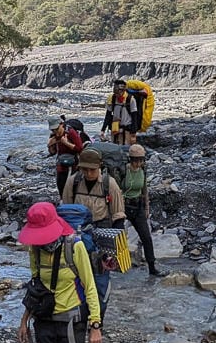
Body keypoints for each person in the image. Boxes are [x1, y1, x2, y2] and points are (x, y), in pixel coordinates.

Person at [16, 202, 103, 343]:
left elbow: (90, 286)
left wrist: (95, 325)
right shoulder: (34, 249)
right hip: (44, 322)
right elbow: (35, 288)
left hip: (71, 323)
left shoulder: (74, 247)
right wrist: (24, 320)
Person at [122, 143, 161, 276]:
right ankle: (115, 265)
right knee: (118, 237)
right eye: (135, 160)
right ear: (130, 159)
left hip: (138, 205)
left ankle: (152, 267)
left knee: (146, 237)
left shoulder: (143, 169)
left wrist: (146, 207)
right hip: (123, 205)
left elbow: (145, 190)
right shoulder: (123, 170)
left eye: (140, 160)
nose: (138, 163)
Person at [62, 147, 126, 229]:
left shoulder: (109, 184)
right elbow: (67, 209)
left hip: (102, 227)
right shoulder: (73, 182)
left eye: (92, 170)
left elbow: (118, 213)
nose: (89, 173)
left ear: (99, 166)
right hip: (79, 227)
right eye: (85, 169)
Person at [46, 117, 83, 198]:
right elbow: (53, 152)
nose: (55, 131)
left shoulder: (70, 132)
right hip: (61, 162)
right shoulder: (53, 135)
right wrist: (49, 146)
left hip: (74, 161)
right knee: (61, 184)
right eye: (53, 130)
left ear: (61, 125)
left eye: (56, 129)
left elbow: (80, 148)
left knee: (73, 185)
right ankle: (63, 199)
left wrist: (66, 143)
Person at [101, 78, 138, 145]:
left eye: (118, 93)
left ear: (123, 91)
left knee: (125, 148)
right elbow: (108, 115)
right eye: (115, 93)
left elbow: (134, 117)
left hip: (127, 129)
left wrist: (133, 134)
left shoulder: (130, 99)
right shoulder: (112, 98)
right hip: (115, 128)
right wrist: (103, 130)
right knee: (114, 146)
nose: (117, 95)